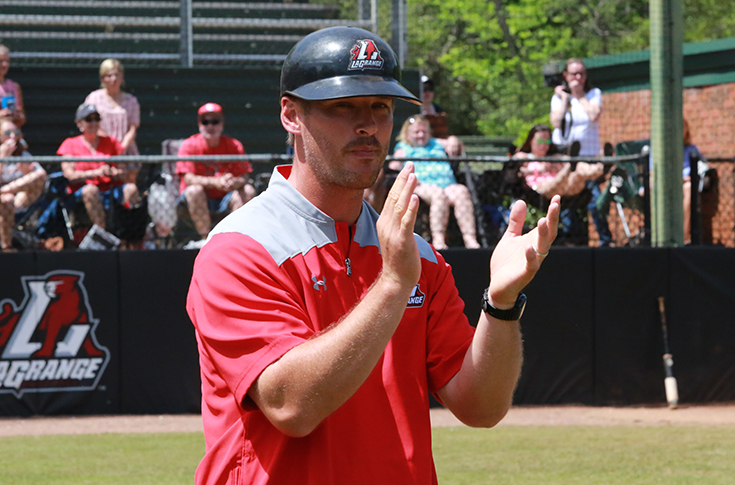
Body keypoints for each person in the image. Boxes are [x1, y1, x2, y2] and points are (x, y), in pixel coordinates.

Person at [187, 26, 560, 485]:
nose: (366, 125)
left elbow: (481, 407)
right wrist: (391, 285)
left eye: (380, 108)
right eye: (342, 106)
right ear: (290, 114)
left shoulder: (417, 256)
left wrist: (500, 307)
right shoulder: (240, 248)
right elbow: (290, 405)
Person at [390, 115, 480, 249]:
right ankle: (439, 240)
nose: (421, 135)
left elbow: (455, 142)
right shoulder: (404, 148)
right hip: (422, 185)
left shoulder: (436, 143)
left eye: (424, 132)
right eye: (416, 132)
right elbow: (393, 166)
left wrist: (453, 140)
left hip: (447, 185)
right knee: (438, 194)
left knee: (461, 191)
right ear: (408, 134)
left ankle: (470, 239)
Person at [57, 103, 142, 238]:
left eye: (96, 119)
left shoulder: (111, 142)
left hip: (109, 188)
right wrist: (95, 173)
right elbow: (69, 175)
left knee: (131, 188)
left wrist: (115, 173)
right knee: (91, 190)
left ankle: (130, 235)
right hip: (82, 191)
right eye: (89, 119)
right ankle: (103, 234)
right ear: (79, 123)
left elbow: (123, 170)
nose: (94, 123)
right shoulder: (70, 144)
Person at [176, 102, 256, 242]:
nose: (210, 126)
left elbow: (244, 176)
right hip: (197, 199)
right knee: (194, 190)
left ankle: (235, 239)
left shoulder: (234, 145)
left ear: (222, 124)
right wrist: (216, 182)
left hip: (226, 197)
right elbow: (188, 178)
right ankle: (205, 239)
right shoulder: (189, 145)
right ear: (199, 124)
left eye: (215, 121)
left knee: (248, 190)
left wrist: (234, 182)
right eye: (206, 122)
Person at [0, 118, 46, 250]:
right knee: (6, 199)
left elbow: (40, 175)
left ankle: (3, 191)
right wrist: (2, 159)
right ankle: (6, 247)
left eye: (16, 132)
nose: (13, 136)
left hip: (20, 199)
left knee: (40, 175)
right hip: (3, 202)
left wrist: (26, 174)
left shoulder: (24, 154)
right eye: (8, 132)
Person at [84, 58, 141, 156]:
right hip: (101, 150)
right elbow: (89, 125)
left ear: (122, 76)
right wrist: (111, 146)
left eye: (116, 75)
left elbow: (133, 128)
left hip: (126, 151)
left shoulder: (131, 101)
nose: (114, 79)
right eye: (109, 75)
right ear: (102, 78)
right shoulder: (93, 98)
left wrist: (122, 147)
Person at [550, 58, 602, 157]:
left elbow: (594, 116)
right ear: (566, 75)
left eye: (581, 74)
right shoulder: (558, 97)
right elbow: (556, 123)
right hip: (563, 152)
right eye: (574, 74)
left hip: (588, 152)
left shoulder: (594, 93)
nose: (578, 77)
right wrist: (565, 99)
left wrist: (580, 95)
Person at [0, 44, 26, 128]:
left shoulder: (14, 86)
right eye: (0, 61)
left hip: (11, 135)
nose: (5, 65)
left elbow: (22, 119)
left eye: (7, 61)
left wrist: (15, 115)